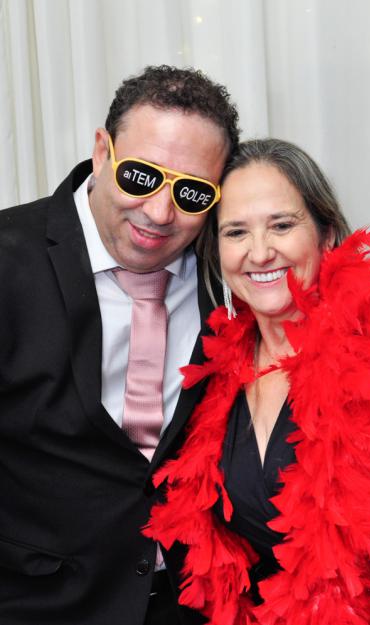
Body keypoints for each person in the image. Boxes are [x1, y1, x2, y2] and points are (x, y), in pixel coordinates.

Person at [146, 138, 370, 624]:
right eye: (236, 232)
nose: (260, 252)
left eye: (282, 225)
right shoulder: (217, 367)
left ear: (326, 234)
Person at [0, 65, 239, 625]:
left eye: (192, 192)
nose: (159, 213)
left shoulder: (232, 271)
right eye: (140, 177)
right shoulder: (9, 259)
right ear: (101, 152)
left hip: (187, 606)